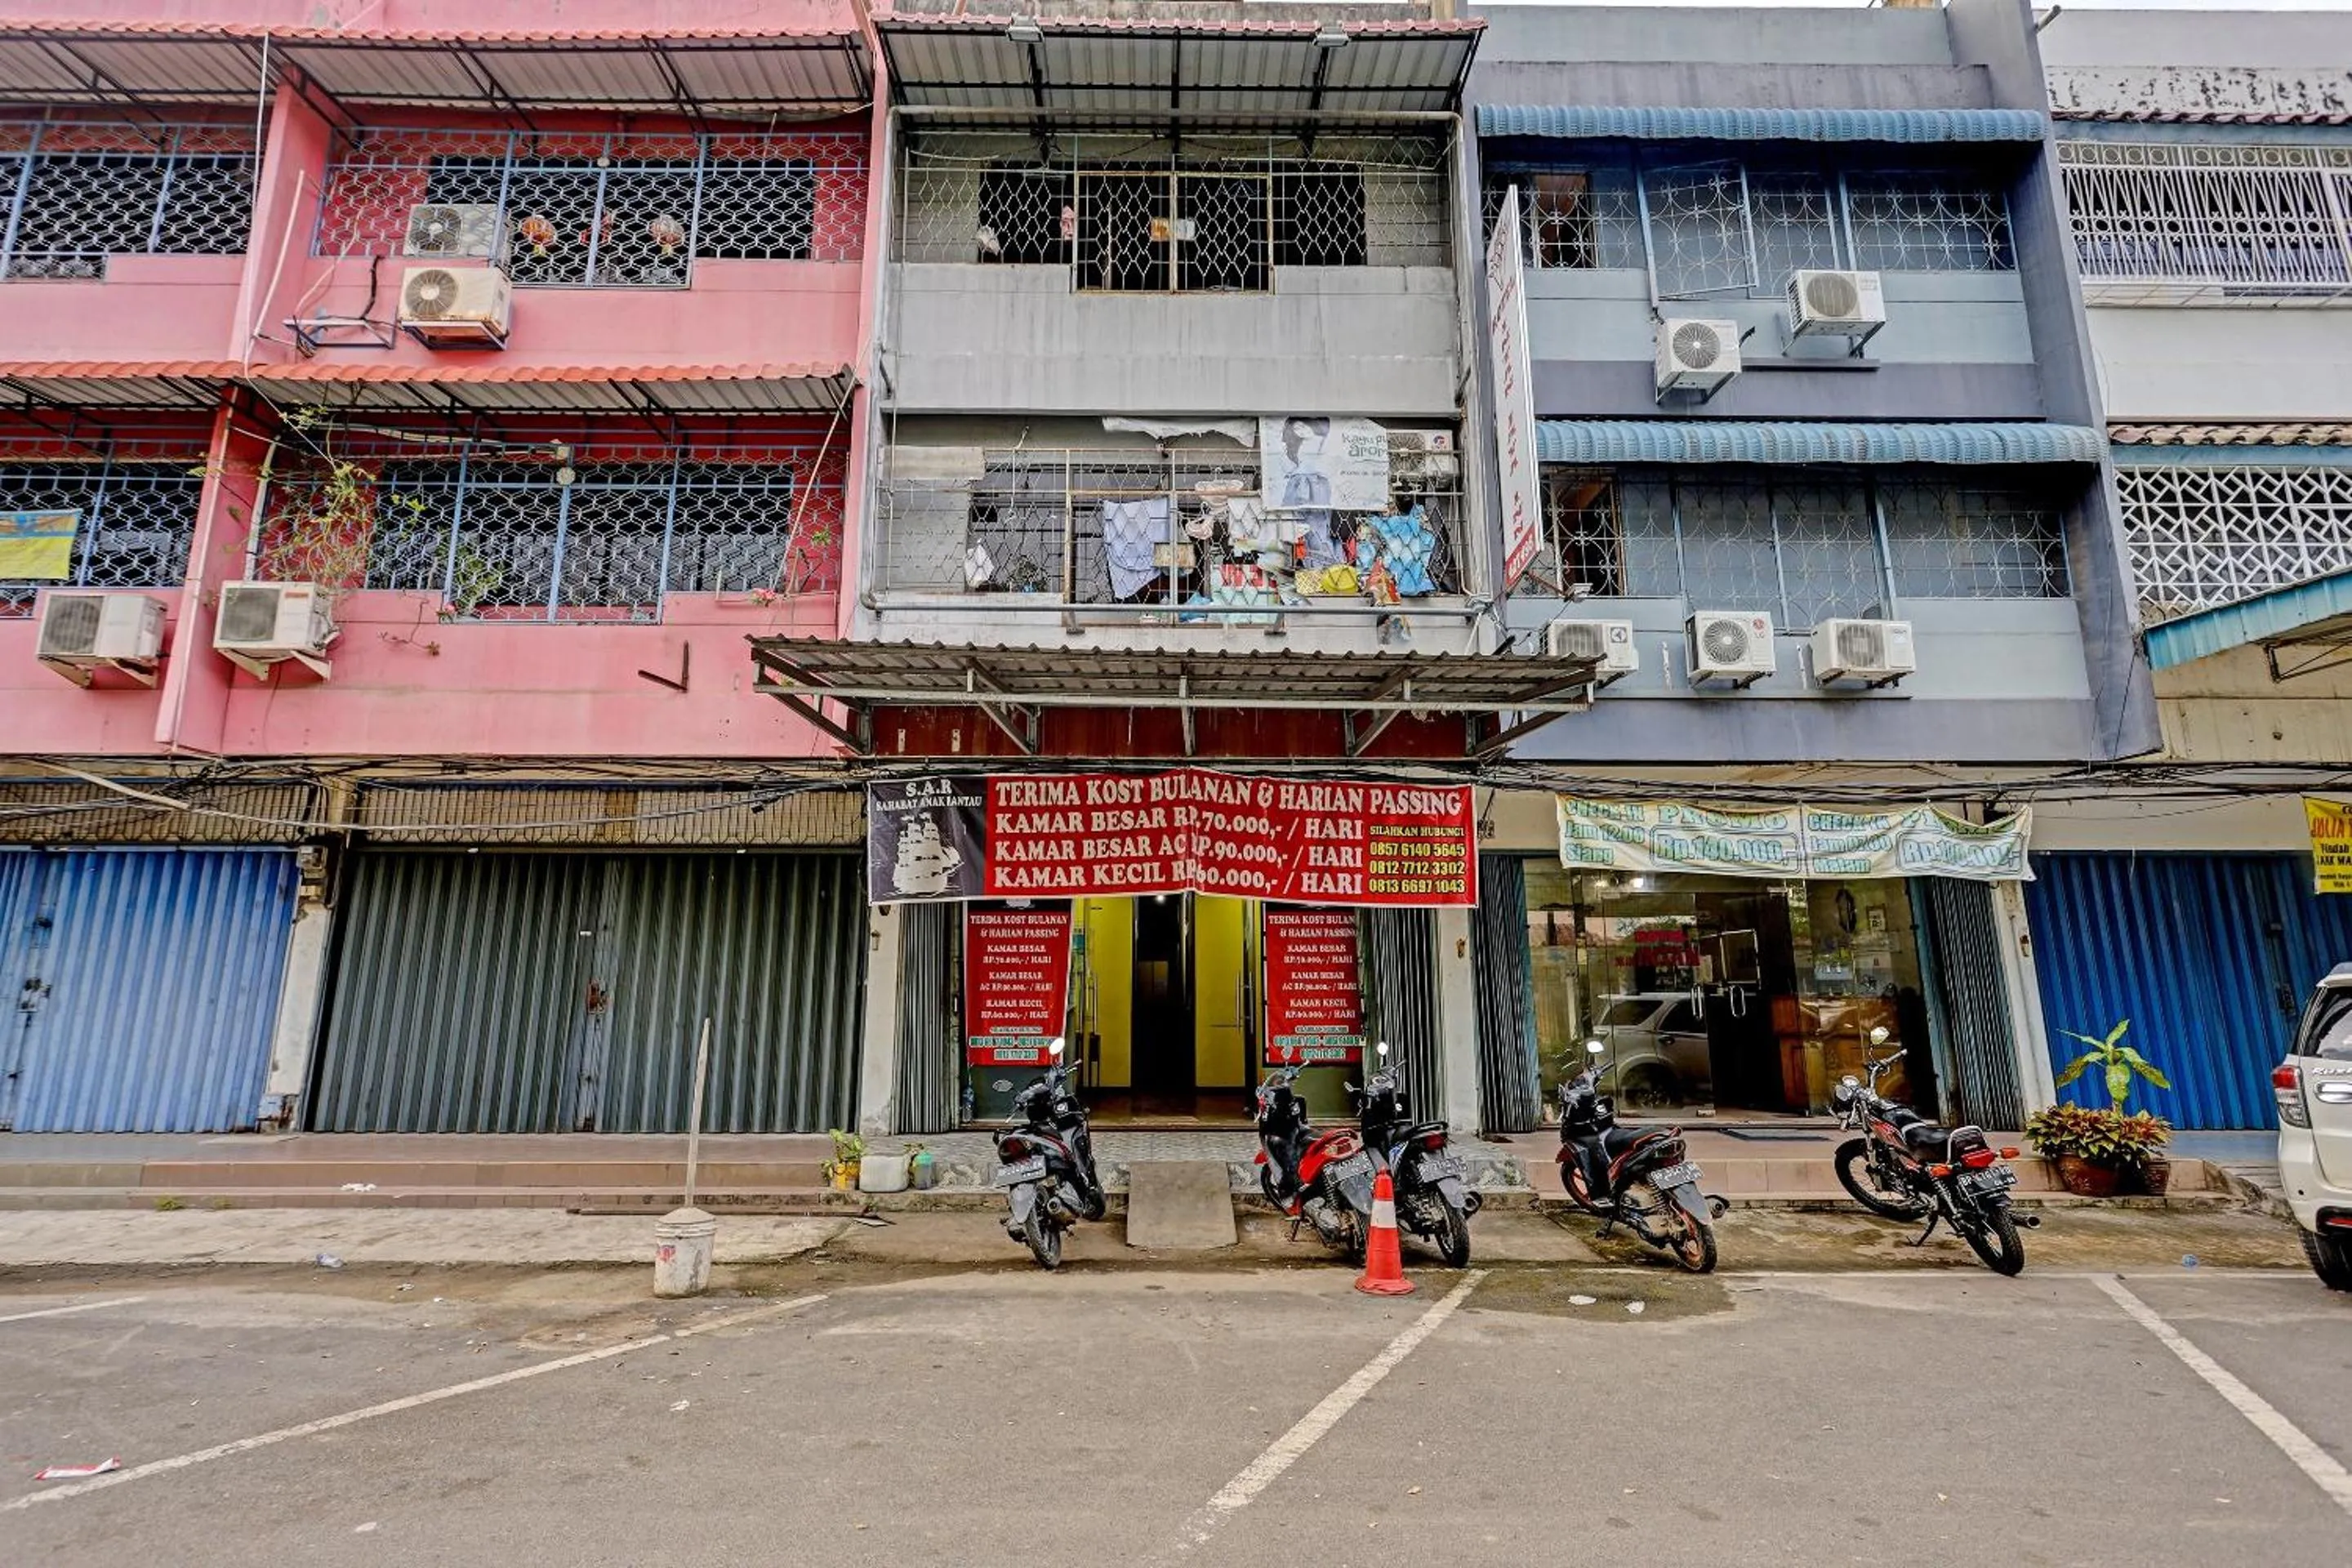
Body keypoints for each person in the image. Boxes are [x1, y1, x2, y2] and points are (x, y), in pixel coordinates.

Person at [1274, 416, 1333, 508]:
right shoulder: (1300, 446)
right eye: (1297, 429)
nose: (1301, 432)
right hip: (1301, 483)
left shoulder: (1324, 442)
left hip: (1315, 483)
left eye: (1302, 426)